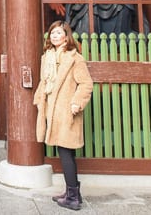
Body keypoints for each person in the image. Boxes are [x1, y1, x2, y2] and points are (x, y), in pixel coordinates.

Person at [34, 20, 93, 211]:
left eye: (59, 33)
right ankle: (71, 191)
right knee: (63, 151)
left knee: (66, 152)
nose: (55, 36)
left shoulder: (75, 58)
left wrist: (77, 102)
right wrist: (39, 98)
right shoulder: (47, 57)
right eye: (52, 33)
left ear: (67, 37)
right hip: (52, 109)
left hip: (67, 111)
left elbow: (86, 84)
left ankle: (73, 197)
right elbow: (45, 82)